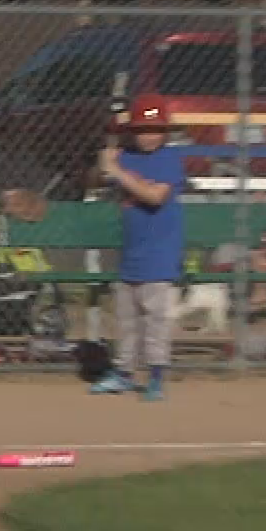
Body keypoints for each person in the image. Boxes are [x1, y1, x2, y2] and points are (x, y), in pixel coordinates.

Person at [90, 98, 187, 401]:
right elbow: (95, 181)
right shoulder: (126, 156)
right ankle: (123, 373)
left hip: (160, 254)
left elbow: (155, 196)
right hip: (131, 253)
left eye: (156, 129)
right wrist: (104, 163)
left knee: (156, 320)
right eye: (143, 129)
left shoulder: (169, 159)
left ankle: (156, 377)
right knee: (126, 319)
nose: (149, 136)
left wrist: (117, 171)